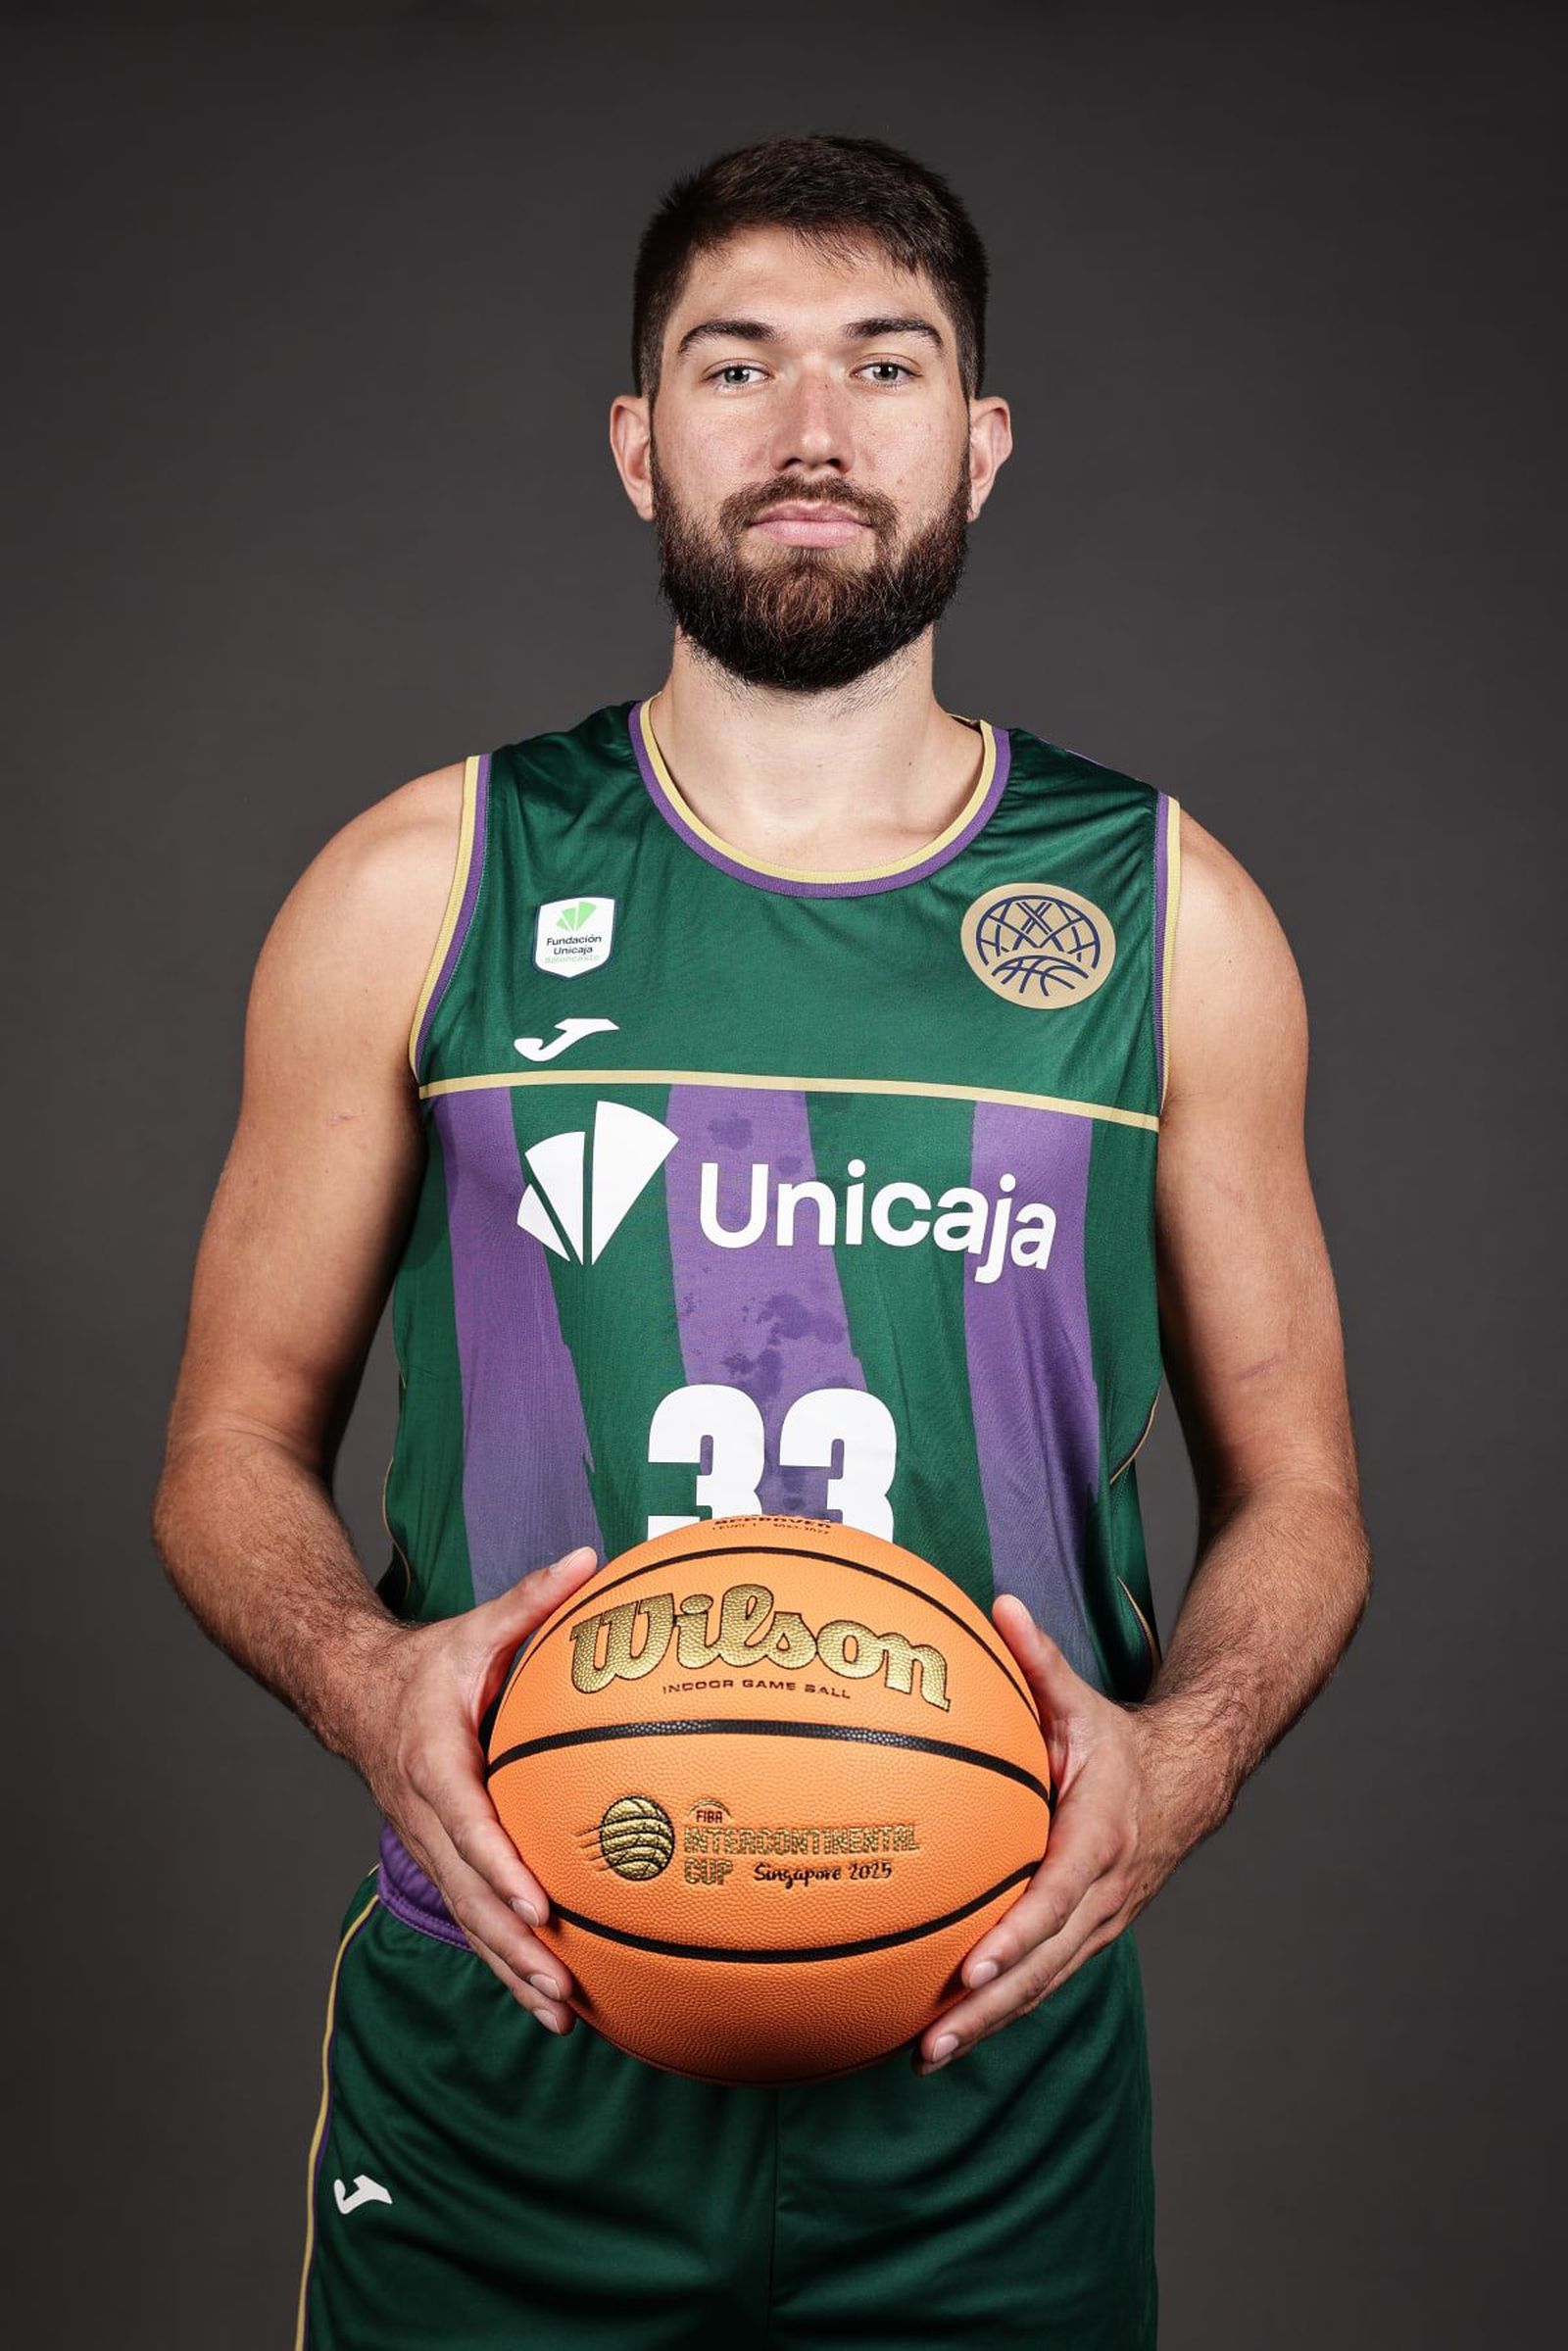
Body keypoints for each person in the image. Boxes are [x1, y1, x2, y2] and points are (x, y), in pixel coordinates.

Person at [152, 131, 1371, 2350]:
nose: (813, 430)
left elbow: (1300, 1499)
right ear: (640, 443)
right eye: (738, 366)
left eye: (884, 366)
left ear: (977, 441)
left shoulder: (1162, 914)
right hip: (508, 2048)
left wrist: (1176, 1764)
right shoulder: (425, 886)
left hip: (986, 2063)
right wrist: (364, 1678)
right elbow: (227, 1447)